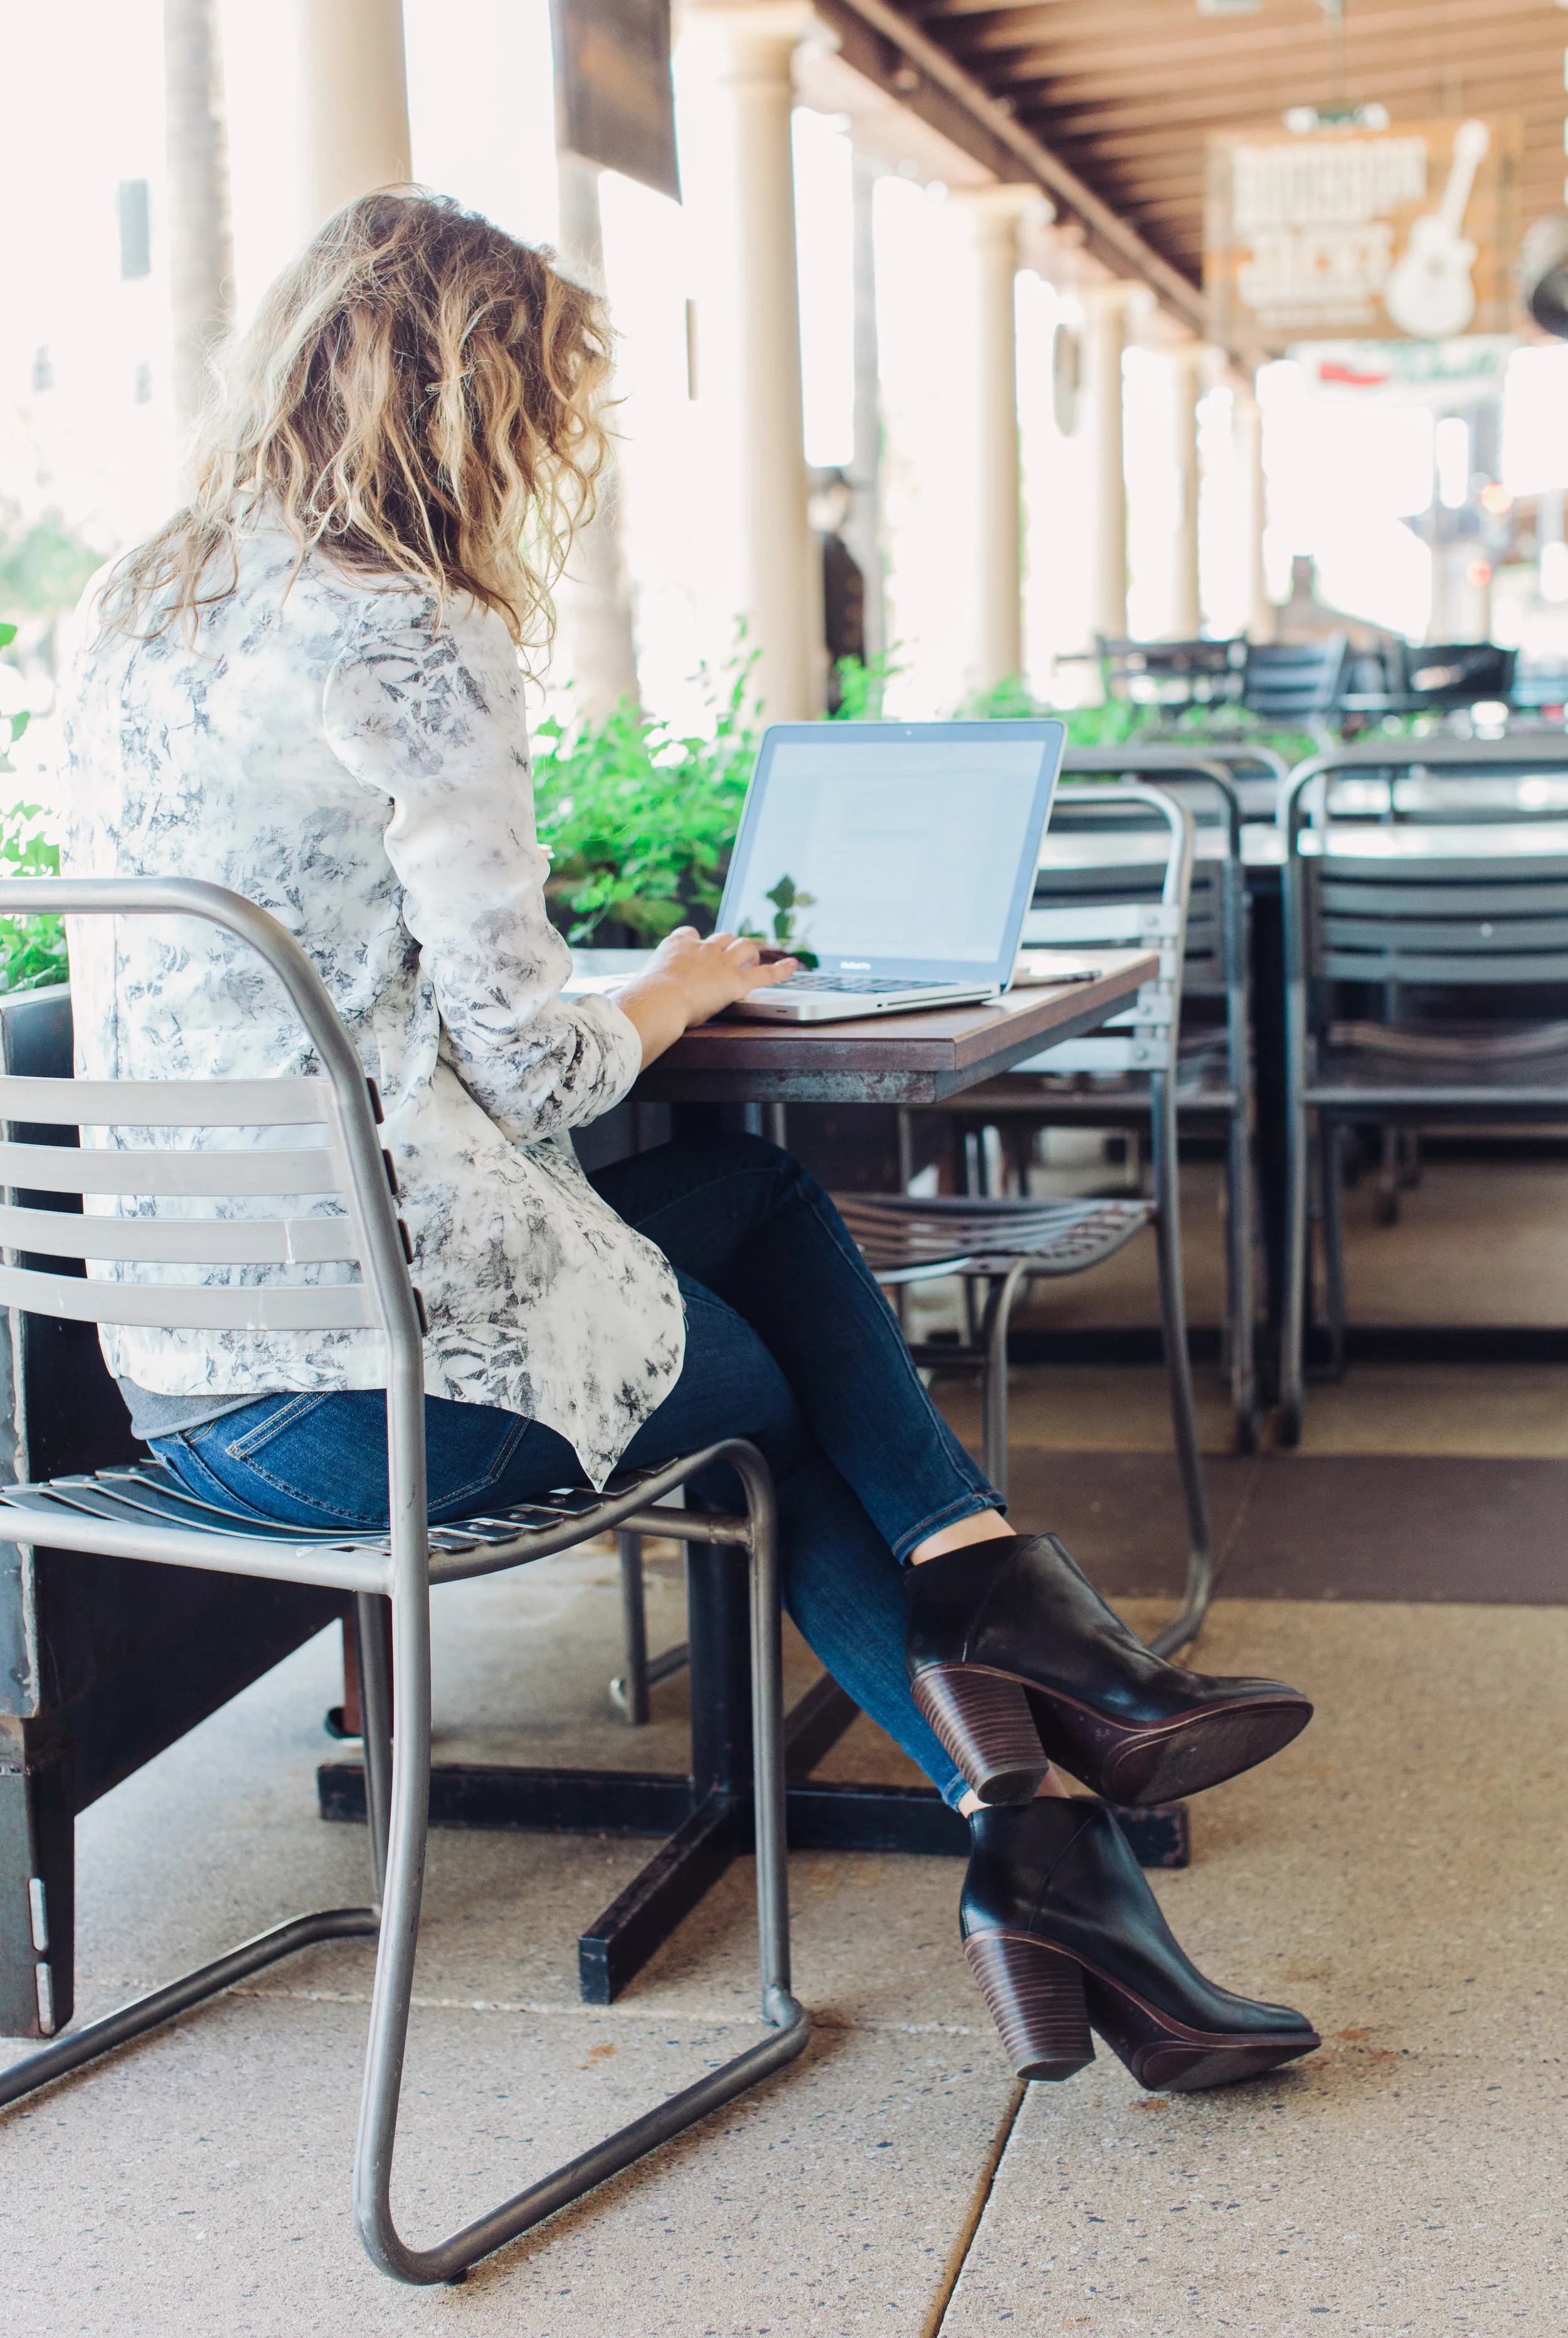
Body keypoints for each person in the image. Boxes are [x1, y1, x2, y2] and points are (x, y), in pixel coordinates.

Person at [63, 191, 1320, 2095]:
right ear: (483, 400)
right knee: (793, 1385)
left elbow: (332, 964)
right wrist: (669, 989)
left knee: (744, 1205)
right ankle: (1050, 1758)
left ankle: (1052, 1804)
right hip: (383, 1395)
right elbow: (535, 1064)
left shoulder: (130, 611)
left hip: (173, 1381)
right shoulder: (406, 631)